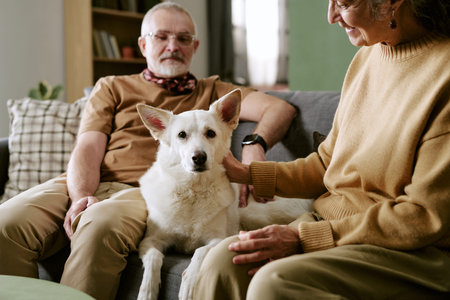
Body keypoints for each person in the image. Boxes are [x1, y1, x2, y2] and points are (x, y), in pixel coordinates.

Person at [0, 2, 297, 300]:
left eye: (183, 39)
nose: (173, 46)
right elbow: (88, 146)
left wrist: (254, 146)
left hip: (143, 190)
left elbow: (279, 108)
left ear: (195, 47)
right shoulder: (113, 86)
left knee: (98, 226)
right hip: (84, 181)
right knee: (6, 225)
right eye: (161, 36)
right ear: (143, 44)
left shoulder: (213, 92)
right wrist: (80, 196)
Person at [194, 0, 450, 299]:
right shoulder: (366, 58)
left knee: (274, 283)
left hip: (408, 250)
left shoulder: (443, 74)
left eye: (342, 3)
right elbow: (328, 163)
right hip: (331, 225)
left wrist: (306, 237)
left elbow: (423, 217)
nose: (331, 17)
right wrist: (245, 173)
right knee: (223, 261)